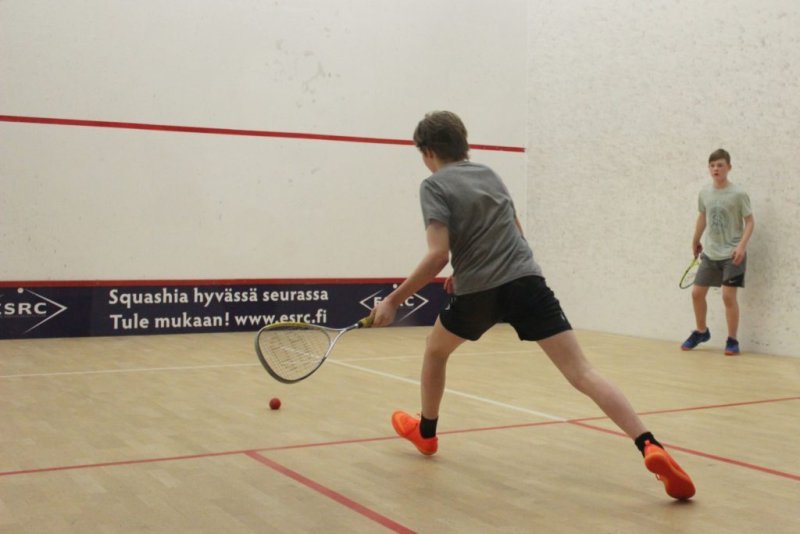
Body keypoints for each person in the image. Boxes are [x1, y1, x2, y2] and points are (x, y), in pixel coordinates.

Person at [370, 111, 695, 500]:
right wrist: (470, 265)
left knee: (435, 351)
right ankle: (649, 444)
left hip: (479, 293)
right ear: (463, 143)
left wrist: (393, 300)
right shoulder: (489, 174)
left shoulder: (433, 185)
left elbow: (438, 254)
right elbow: (515, 232)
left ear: (427, 152)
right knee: (582, 372)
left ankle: (426, 433)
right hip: (527, 281)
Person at [681, 149, 754, 356]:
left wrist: (741, 246)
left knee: (728, 297)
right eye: (712, 165)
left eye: (720, 165)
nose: (716, 168)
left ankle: (732, 340)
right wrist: (695, 240)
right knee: (696, 294)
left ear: (729, 167)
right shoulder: (705, 193)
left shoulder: (738, 194)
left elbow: (750, 222)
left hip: (733, 255)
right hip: (710, 254)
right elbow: (703, 217)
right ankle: (701, 332)